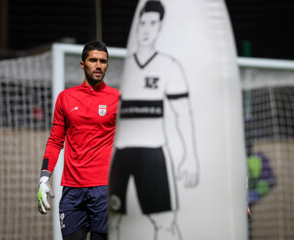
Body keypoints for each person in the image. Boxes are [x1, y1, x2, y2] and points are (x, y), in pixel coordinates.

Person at [108, 1, 199, 240]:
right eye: (143, 23)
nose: (146, 29)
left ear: (159, 28)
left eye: (152, 24)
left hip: (152, 156)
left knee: (165, 223)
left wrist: (190, 156)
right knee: (111, 221)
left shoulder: (169, 66)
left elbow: (183, 115)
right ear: (137, 26)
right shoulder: (122, 69)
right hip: (121, 155)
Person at [37, 40, 120, 240]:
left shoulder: (117, 98)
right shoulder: (66, 98)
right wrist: (43, 178)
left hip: (104, 189)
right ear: (83, 64)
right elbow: (56, 140)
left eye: (103, 61)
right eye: (93, 60)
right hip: (72, 191)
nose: (99, 65)